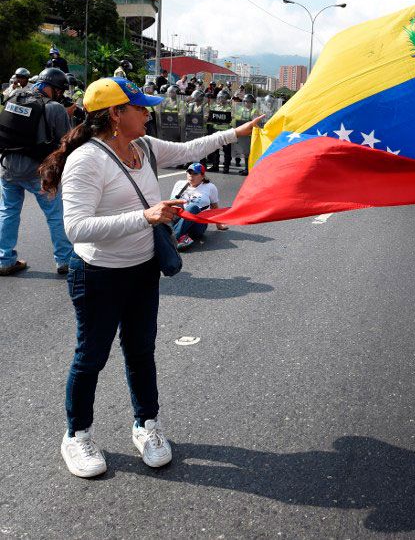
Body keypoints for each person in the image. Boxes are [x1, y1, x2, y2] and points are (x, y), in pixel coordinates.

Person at [37, 76, 260, 478]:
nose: (147, 112)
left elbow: (191, 148)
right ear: (115, 114)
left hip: (142, 270)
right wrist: (145, 216)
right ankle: (77, 434)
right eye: (139, 107)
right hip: (98, 275)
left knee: (141, 351)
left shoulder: (143, 146)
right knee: (91, 357)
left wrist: (237, 132)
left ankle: (146, 425)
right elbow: (77, 228)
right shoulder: (87, 160)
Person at [0, 68, 74, 276]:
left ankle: (4, 259)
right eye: (59, 90)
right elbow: (66, 142)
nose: (60, 94)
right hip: (38, 171)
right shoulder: (55, 108)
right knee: (56, 214)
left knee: (8, 212)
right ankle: (65, 260)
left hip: (8, 167)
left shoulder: (14, 96)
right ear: (51, 87)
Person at [170, 163, 228, 249]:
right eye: (189, 173)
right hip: (179, 220)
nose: (191, 176)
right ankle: (181, 237)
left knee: (192, 207)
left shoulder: (210, 187)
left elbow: (214, 206)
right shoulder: (179, 184)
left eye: (195, 174)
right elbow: (171, 204)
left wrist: (219, 225)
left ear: (202, 176)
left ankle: (171, 239)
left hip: (197, 224)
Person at [207, 90, 233, 172]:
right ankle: (215, 166)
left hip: (225, 131)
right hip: (216, 130)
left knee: (227, 150)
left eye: (222, 98)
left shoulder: (229, 108)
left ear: (226, 99)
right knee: (215, 149)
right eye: (219, 97)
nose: (220, 99)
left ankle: (226, 167)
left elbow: (231, 119)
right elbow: (210, 117)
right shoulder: (214, 107)